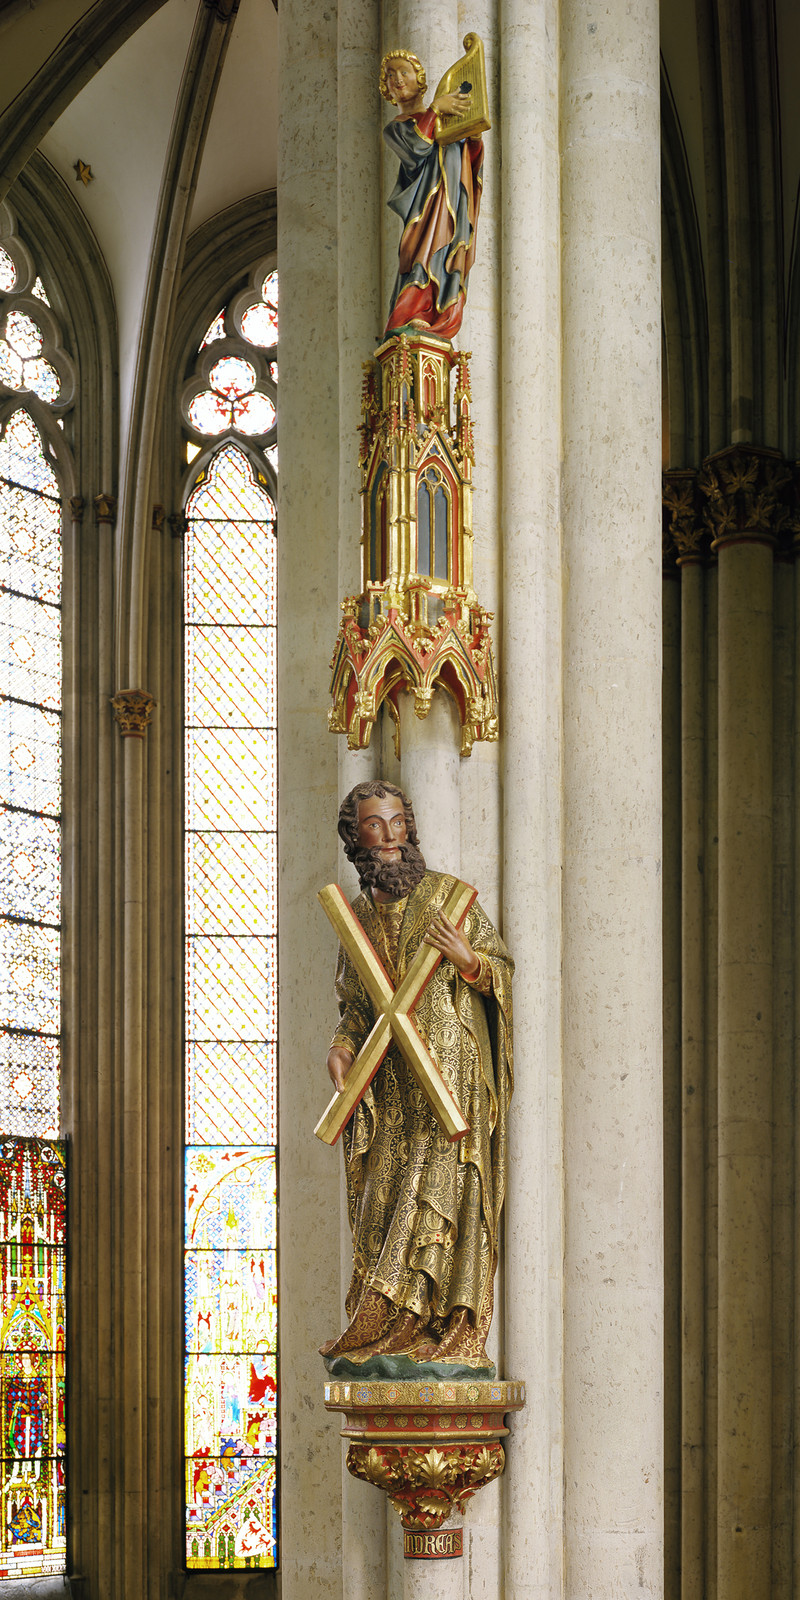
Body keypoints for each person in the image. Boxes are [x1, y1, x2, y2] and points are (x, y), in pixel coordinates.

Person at [320, 779, 513, 1373]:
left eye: (399, 822)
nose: (391, 837)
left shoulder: (449, 899)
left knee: (444, 1197)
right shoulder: (353, 920)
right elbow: (355, 1007)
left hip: (450, 1076)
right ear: (357, 836)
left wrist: (472, 962)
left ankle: (450, 1327)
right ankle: (389, 1329)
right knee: (386, 1198)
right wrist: (342, 1049)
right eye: (376, 826)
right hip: (389, 1081)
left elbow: (500, 971)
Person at [380, 50, 484, 341]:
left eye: (404, 72)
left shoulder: (444, 118)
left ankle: (439, 315)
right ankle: (414, 312)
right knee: (421, 258)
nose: (397, 79)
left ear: (419, 80)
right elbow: (416, 148)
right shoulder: (396, 128)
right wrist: (435, 110)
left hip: (453, 207)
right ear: (385, 88)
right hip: (423, 210)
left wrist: (472, 138)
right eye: (390, 75)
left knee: (449, 255)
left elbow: (469, 160)